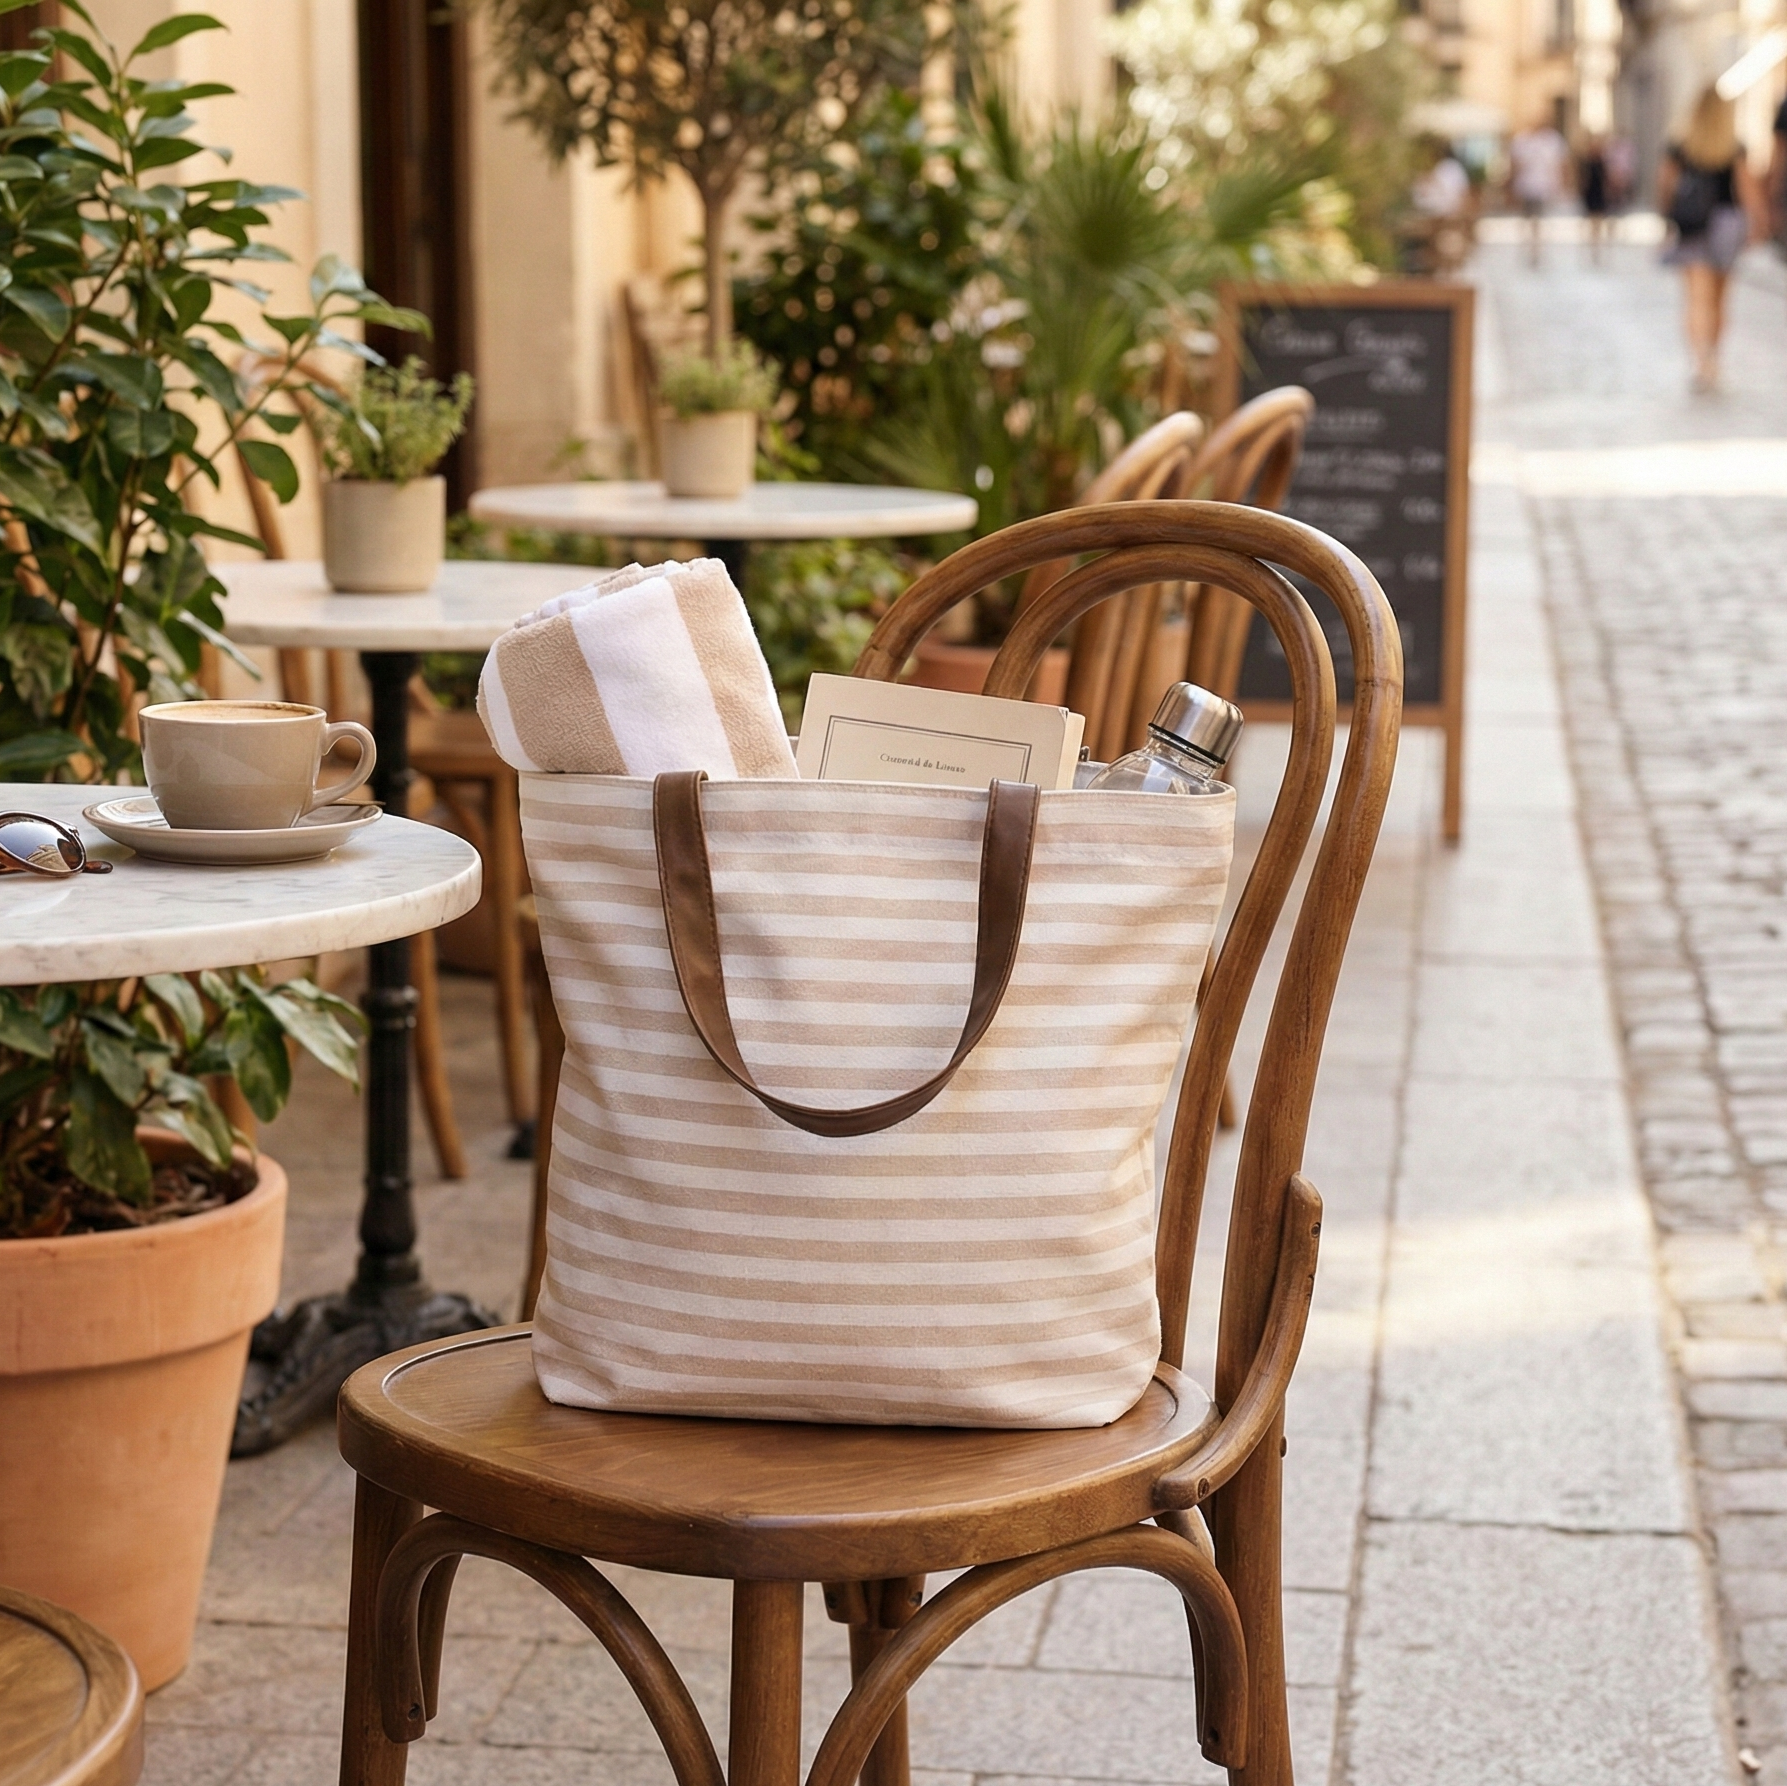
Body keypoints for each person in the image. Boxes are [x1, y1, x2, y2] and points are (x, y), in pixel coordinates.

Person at [1659, 85, 1767, 391]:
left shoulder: (1680, 145)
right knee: (1719, 300)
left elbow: (1665, 184)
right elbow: (1747, 189)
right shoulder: (1733, 146)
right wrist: (1759, 224)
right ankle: (1714, 357)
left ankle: (1701, 361)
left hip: (1693, 225)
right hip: (1727, 224)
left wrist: (1669, 218)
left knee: (1696, 299)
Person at [1509, 116, 1570, 266]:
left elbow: (1562, 164)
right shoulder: (1522, 140)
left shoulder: (1553, 140)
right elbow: (1515, 165)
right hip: (1526, 187)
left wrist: (1563, 185)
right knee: (1529, 220)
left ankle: (1537, 249)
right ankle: (1531, 248)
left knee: (1540, 221)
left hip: (1545, 188)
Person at [1578, 134, 1612, 263]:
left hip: (1599, 195)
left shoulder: (1602, 163)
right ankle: (1592, 245)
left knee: (1598, 221)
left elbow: (1606, 180)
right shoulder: (1586, 163)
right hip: (1590, 195)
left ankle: (1597, 245)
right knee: (1591, 221)